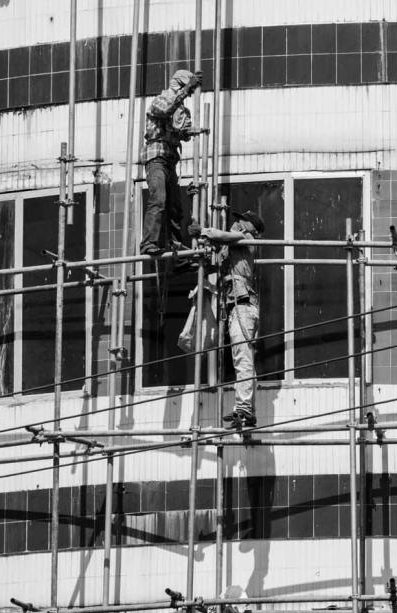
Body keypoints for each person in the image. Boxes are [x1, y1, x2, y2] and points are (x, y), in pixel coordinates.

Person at [201, 210, 263, 428]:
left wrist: (205, 231)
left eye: (240, 221)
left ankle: (244, 408)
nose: (235, 223)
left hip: (243, 306)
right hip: (237, 307)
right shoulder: (235, 246)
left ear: (249, 227)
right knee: (242, 356)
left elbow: (224, 236)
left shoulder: (246, 238)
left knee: (242, 357)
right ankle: (248, 409)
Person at [140, 69, 202, 257]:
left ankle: (177, 252)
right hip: (156, 158)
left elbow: (182, 133)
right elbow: (165, 110)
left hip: (170, 160)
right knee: (158, 199)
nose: (188, 95)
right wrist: (185, 91)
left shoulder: (182, 111)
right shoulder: (161, 100)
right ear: (180, 85)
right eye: (187, 90)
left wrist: (188, 132)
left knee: (175, 208)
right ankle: (149, 243)